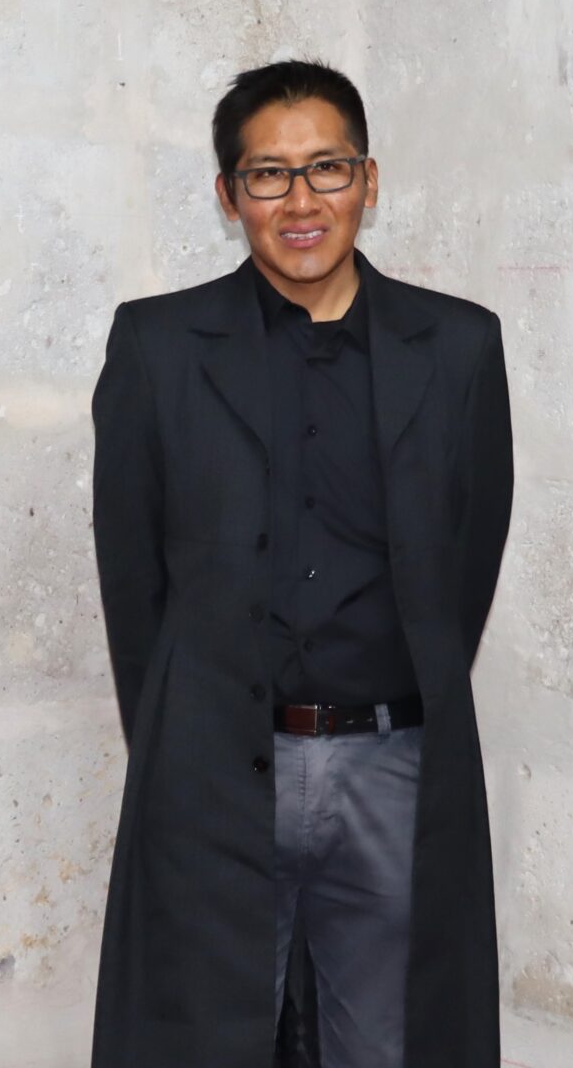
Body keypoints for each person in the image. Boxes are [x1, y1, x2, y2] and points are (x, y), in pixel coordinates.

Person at [89, 61, 514, 1068]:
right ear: (228, 195)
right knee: (199, 1042)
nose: (301, 201)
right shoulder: (158, 347)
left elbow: (466, 565)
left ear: (369, 180)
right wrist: (180, 737)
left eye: (327, 168)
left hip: (394, 771)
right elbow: (133, 587)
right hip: (214, 776)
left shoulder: (459, 348)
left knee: (391, 1045)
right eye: (268, 175)